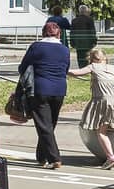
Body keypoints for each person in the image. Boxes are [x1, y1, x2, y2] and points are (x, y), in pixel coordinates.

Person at [19, 20, 73, 169]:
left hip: (40, 89)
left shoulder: (36, 47)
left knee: (44, 126)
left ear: (43, 33)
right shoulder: (65, 50)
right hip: (60, 90)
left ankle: (54, 158)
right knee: (50, 124)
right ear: (59, 34)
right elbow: (66, 67)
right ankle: (41, 156)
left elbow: (23, 67)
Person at [69, 48, 114, 168]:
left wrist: (61, 69)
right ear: (105, 58)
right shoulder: (112, 68)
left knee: (101, 131)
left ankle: (111, 157)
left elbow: (76, 73)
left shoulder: (92, 67)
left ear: (91, 59)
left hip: (104, 100)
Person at [69, 4, 99, 68]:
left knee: (80, 57)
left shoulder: (74, 20)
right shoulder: (90, 19)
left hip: (78, 43)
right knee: (88, 57)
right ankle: (87, 69)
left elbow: (72, 33)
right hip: (88, 42)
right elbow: (92, 31)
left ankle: (81, 68)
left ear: (79, 11)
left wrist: (72, 42)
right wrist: (94, 41)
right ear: (86, 11)